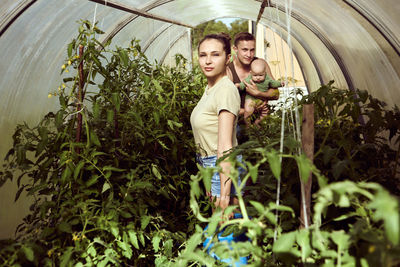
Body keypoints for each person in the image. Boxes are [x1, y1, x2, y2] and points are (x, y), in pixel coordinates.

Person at [190, 33, 241, 216]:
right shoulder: (211, 88)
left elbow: (225, 145)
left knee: (223, 224)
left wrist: (224, 193)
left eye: (215, 55)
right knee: (226, 227)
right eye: (203, 55)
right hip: (209, 164)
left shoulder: (225, 89)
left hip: (220, 165)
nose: (208, 61)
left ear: (228, 58)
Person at [227, 32, 280, 130]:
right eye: (244, 50)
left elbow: (276, 94)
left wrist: (258, 93)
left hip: (260, 122)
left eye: (252, 50)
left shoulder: (261, 64)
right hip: (235, 124)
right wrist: (250, 109)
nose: (249, 54)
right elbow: (224, 106)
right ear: (235, 49)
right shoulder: (228, 70)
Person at [238, 58, 281, 126]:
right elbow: (243, 84)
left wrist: (280, 84)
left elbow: (274, 85)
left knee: (265, 114)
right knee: (248, 110)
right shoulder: (249, 78)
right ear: (251, 73)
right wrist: (239, 86)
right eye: (255, 75)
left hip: (261, 102)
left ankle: (256, 123)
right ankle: (248, 125)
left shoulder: (267, 78)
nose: (258, 78)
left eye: (261, 75)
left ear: (265, 73)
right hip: (251, 100)